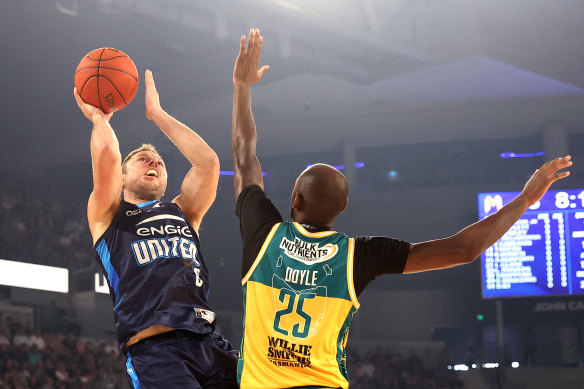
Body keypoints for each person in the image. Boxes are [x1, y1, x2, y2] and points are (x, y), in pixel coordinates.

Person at [231, 28, 572, 388]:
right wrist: (526, 200)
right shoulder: (358, 255)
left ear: (294, 200)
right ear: (344, 206)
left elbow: (243, 156)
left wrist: (242, 86)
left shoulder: (264, 234)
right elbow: (464, 249)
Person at [74, 69, 238, 388]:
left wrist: (158, 114)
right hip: (157, 351)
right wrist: (99, 120)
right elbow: (107, 155)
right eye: (144, 160)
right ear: (122, 179)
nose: (154, 163)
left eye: (160, 162)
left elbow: (208, 164)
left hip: (208, 343)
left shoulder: (183, 212)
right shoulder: (109, 214)